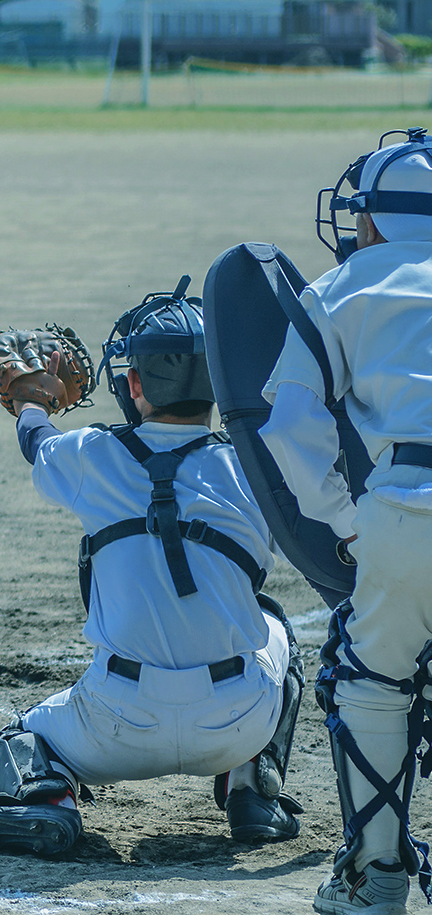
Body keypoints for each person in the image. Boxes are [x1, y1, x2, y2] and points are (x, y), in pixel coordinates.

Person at [0, 282, 304, 858]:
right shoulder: (255, 469)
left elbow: (37, 441)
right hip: (236, 722)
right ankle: (253, 792)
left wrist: (31, 399)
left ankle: (51, 804)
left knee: (20, 738)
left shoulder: (92, 454)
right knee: (276, 626)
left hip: (117, 726)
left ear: (133, 383)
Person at [261, 129, 432, 915]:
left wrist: (346, 519)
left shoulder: (341, 289)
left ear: (371, 220)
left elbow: (290, 426)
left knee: (373, 685)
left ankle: (375, 877)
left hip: (406, 510)